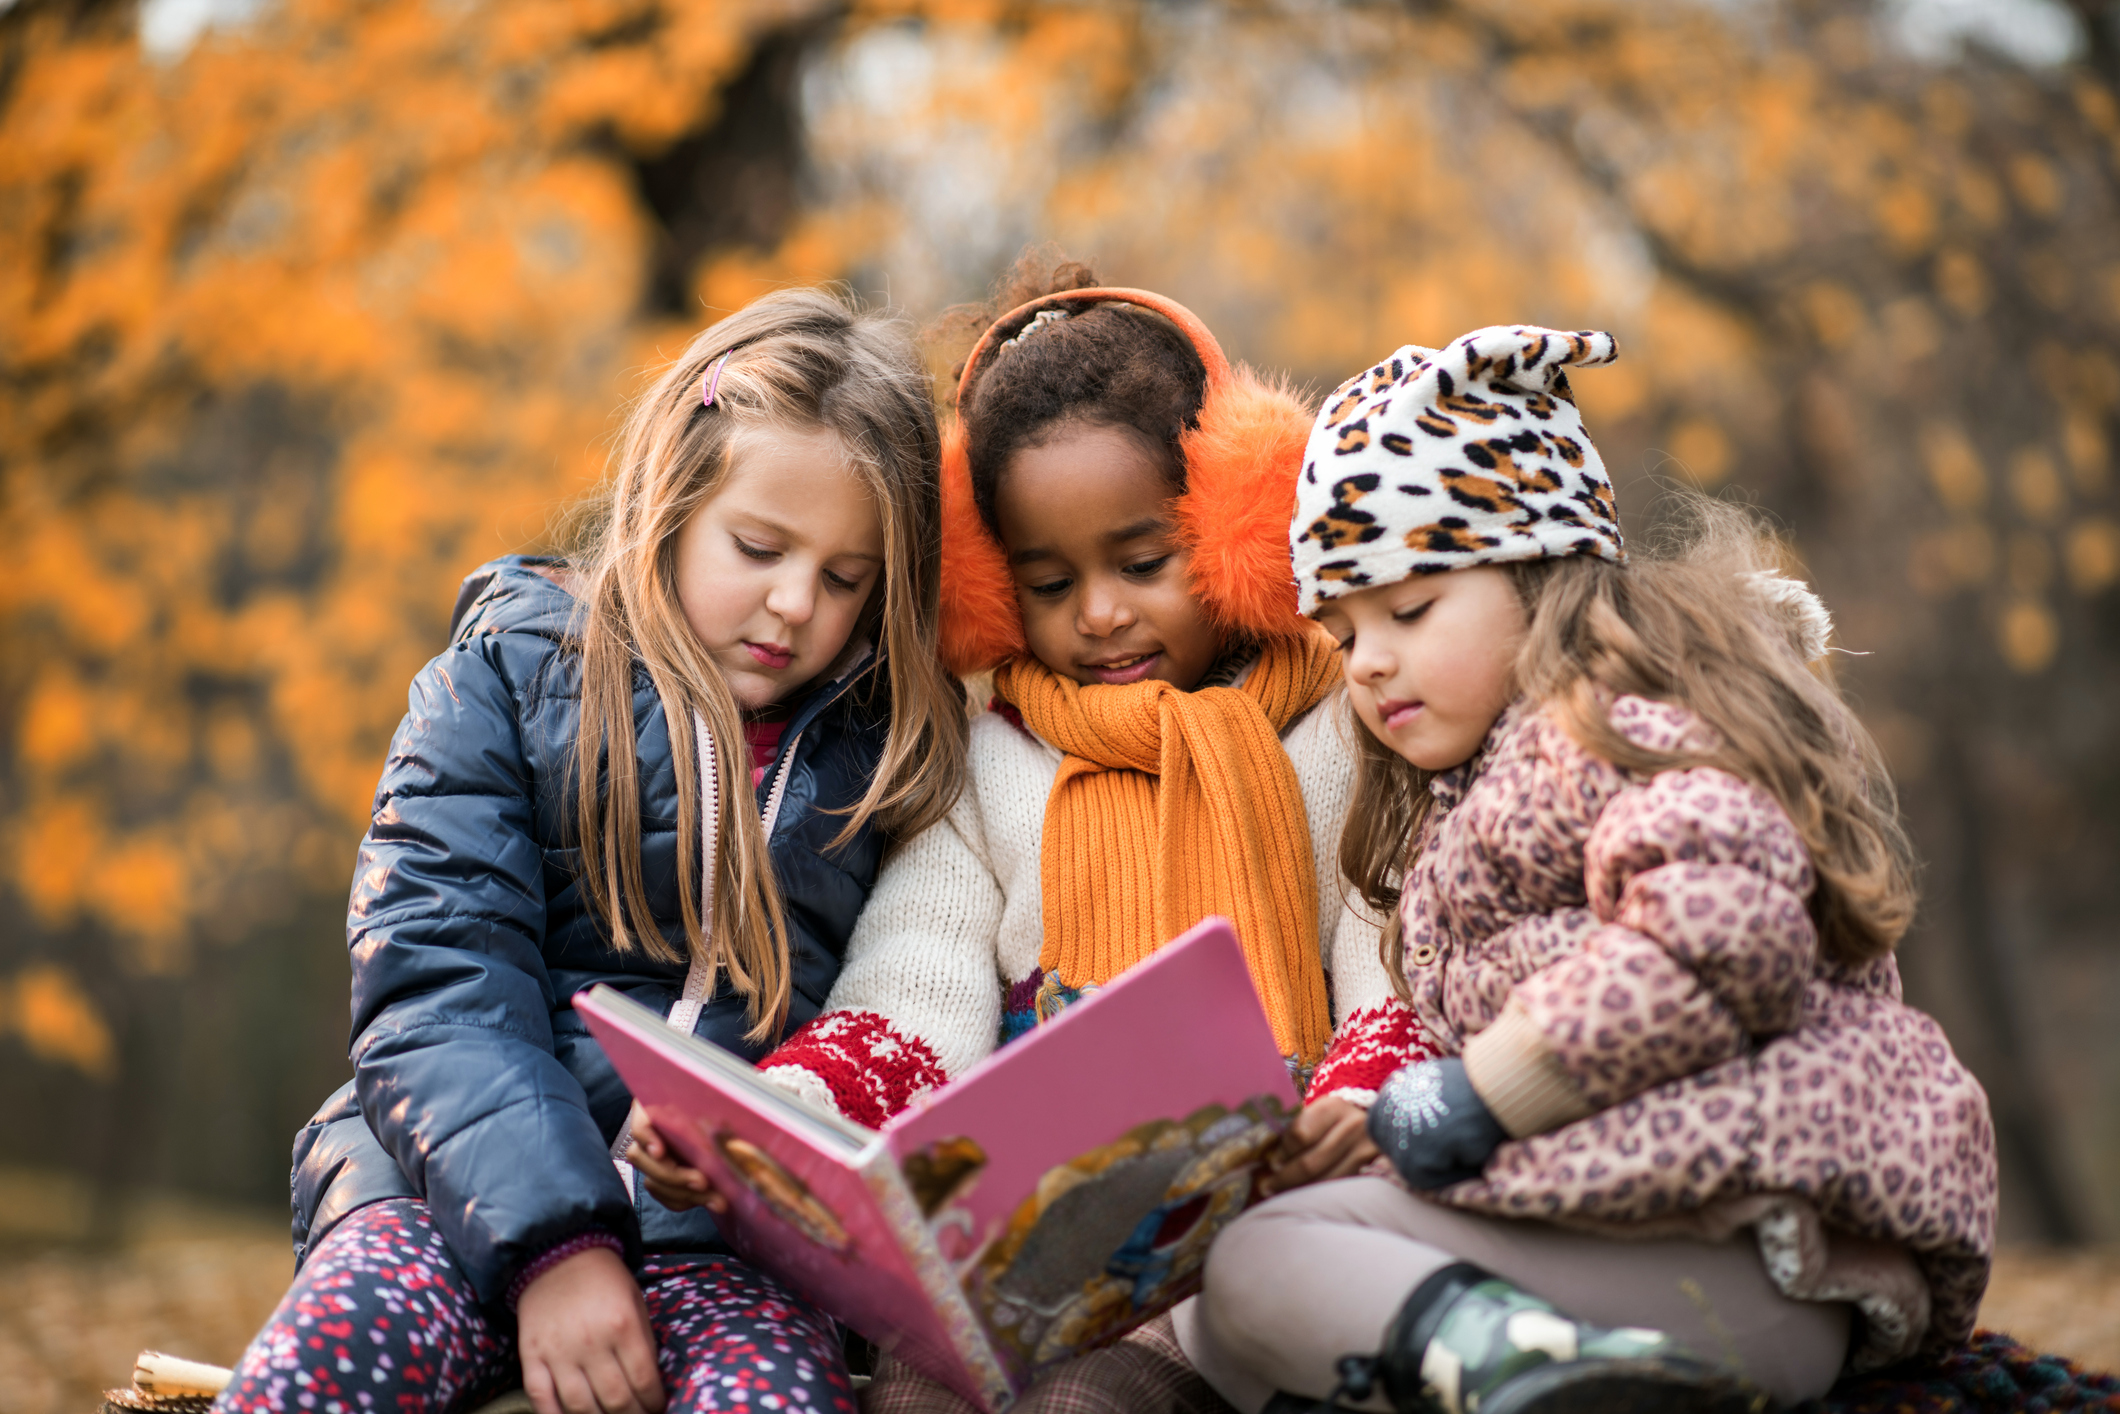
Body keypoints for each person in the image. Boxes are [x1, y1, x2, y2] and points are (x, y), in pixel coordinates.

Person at [631, 257, 1431, 1414]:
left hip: (1249, 1247)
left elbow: (1383, 959)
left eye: (1143, 563)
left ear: (1233, 524)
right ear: (990, 588)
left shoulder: (1334, 735)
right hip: (1035, 1249)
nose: (1099, 613)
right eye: (1049, 583)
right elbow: (918, 982)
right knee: (913, 1391)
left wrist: (1356, 1098)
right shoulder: (991, 759)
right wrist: (794, 1118)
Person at [1188, 326, 1999, 1414]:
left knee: (1257, 1270)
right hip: (1651, 1235)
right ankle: (1518, 1367)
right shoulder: (1488, 783)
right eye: (1339, 632)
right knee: (1232, 1316)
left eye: (1409, 607)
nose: (1368, 659)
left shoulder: (1611, 729)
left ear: (1538, 571)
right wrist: (1381, 1114)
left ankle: (1525, 1374)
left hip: (1742, 1248)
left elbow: (1716, 928)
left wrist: (1478, 1093)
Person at [211, 288, 969, 1414]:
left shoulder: (889, 757)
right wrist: (557, 1248)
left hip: (723, 1245)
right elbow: (436, 994)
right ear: (669, 500)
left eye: (845, 577)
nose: (794, 602)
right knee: (319, 1369)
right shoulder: (502, 682)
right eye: (757, 547)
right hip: (448, 1190)